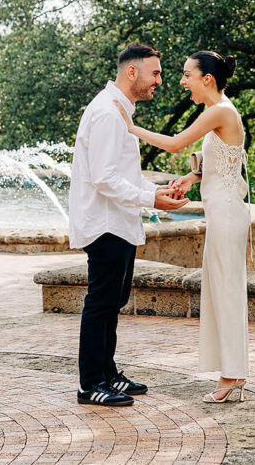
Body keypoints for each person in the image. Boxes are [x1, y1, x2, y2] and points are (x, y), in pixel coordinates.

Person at [114, 50, 251, 403]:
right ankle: (231, 373)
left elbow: (176, 144)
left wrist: (130, 127)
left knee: (226, 292)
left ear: (207, 79)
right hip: (223, 212)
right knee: (221, 289)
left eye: (187, 74)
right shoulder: (218, 111)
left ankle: (232, 375)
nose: (181, 80)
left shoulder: (220, 110)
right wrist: (192, 178)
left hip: (226, 214)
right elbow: (228, 160)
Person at [70, 42, 190, 407]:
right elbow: (103, 177)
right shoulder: (107, 113)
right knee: (101, 301)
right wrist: (151, 199)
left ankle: (107, 374)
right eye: (155, 73)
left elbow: (125, 175)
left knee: (113, 300)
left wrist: (157, 191)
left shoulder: (119, 112)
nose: (160, 80)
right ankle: (90, 383)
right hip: (106, 223)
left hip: (118, 221)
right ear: (132, 71)